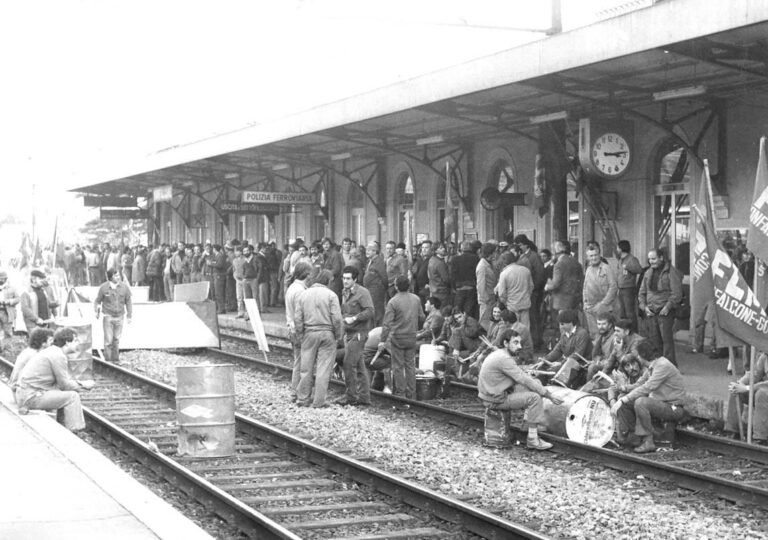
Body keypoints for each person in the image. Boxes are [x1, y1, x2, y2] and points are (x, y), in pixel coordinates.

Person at [477, 328, 563, 450]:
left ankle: (528, 426)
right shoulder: (504, 359)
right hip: (495, 400)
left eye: (520, 342)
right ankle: (533, 440)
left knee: (536, 383)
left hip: (492, 394)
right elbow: (523, 379)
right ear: (506, 343)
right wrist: (548, 395)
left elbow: (516, 375)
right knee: (535, 398)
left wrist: (528, 376)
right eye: (515, 343)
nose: (520, 346)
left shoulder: (499, 354)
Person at [610, 341, 687, 453]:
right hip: (661, 404)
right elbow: (639, 384)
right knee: (627, 403)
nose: (637, 358)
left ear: (642, 356)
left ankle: (648, 441)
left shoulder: (662, 366)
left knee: (641, 402)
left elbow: (647, 387)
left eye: (637, 356)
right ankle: (631, 436)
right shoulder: (652, 367)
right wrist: (624, 389)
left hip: (673, 407)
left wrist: (623, 399)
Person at [14, 327, 94, 430]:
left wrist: (78, 384)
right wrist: (84, 385)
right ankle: (75, 430)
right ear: (67, 342)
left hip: (27, 393)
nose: (78, 344)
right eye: (75, 341)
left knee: (62, 393)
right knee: (72, 396)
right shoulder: (58, 356)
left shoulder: (53, 351)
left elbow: (63, 383)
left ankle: (62, 426)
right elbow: (65, 385)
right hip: (31, 397)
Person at [294, 270, 344, 408]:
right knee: (324, 368)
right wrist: (338, 336)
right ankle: (318, 401)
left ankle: (303, 399)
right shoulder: (331, 295)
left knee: (306, 368)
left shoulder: (304, 294)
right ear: (328, 281)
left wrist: (300, 334)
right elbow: (337, 318)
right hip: (327, 333)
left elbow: (297, 318)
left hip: (309, 332)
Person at [379, 275, 425, 399]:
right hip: (411, 337)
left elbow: (387, 324)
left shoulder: (393, 301)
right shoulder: (416, 299)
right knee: (410, 365)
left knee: (398, 366)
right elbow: (422, 317)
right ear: (409, 285)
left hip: (397, 338)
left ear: (396, 286)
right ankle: (412, 394)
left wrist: (382, 340)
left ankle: (401, 394)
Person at [337, 266, 375, 406]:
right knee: (359, 366)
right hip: (349, 333)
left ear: (355, 279)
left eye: (348, 279)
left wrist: (355, 318)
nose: (345, 281)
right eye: (344, 278)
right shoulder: (344, 292)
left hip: (359, 334)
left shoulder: (362, 293)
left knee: (349, 363)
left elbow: (370, 311)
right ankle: (364, 398)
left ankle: (351, 397)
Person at [638, 248, 682, 366]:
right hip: (651, 313)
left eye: (654, 258)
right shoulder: (648, 273)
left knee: (666, 341)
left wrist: (667, 307)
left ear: (661, 258)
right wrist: (644, 307)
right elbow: (641, 292)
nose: (651, 261)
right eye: (649, 259)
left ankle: (671, 368)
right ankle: (658, 367)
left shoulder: (671, 272)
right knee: (654, 341)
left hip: (665, 312)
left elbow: (677, 294)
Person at [538, 309, 592, 381]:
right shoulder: (564, 334)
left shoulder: (582, 334)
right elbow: (557, 350)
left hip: (580, 365)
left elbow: (577, 355)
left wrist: (561, 363)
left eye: (562, 324)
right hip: (567, 362)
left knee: (552, 372)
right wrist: (545, 360)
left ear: (571, 323)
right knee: (541, 367)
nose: (560, 326)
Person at [726, 352, 768, 443]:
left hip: (764, 390)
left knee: (762, 394)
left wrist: (746, 388)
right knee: (735, 390)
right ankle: (734, 430)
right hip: (762, 389)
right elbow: (754, 374)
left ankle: (760, 437)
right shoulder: (765, 355)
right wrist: (740, 383)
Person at [94, 269, 133, 364]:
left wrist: (129, 315)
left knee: (116, 339)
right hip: (108, 316)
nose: (118, 277)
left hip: (120, 317)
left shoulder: (124, 288)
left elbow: (128, 301)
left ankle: (115, 360)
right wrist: (97, 311)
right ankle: (108, 362)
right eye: (115, 276)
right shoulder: (103, 288)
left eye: (118, 275)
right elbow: (97, 301)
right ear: (110, 278)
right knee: (108, 341)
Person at [285, 261, 312, 401]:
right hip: (299, 331)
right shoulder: (301, 291)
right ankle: (298, 392)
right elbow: (299, 315)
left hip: (292, 329)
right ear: (306, 274)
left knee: (298, 361)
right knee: (303, 363)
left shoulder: (292, 288)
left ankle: (294, 391)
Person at [582, 245, 618, 339]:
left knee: (606, 334)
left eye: (595, 255)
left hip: (603, 307)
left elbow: (613, 287)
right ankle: (597, 352)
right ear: (587, 257)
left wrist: (603, 304)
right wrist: (585, 303)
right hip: (590, 307)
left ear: (599, 255)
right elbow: (585, 287)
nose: (594, 258)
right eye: (591, 256)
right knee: (594, 334)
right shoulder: (588, 269)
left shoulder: (606, 268)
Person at [544, 240, 583, 318]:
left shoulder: (559, 264)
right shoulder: (576, 262)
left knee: (563, 323)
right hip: (575, 298)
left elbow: (555, 283)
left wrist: (547, 287)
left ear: (555, 253)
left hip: (562, 300)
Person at [9, 327, 54, 394]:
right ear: (43, 342)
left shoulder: (29, 351)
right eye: (50, 340)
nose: (52, 343)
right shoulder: (34, 355)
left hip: (20, 389)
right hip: (21, 391)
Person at [495, 251, 533, 326]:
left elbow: (501, 293)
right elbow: (531, 287)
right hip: (525, 304)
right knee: (525, 328)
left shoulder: (504, 273)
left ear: (504, 262)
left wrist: (505, 303)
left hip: (512, 306)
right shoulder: (526, 270)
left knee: (514, 329)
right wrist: (527, 296)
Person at [615, 240, 642, 332]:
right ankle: (624, 331)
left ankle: (634, 332)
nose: (616, 249)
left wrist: (628, 267)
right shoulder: (620, 260)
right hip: (621, 288)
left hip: (628, 289)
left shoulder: (631, 259)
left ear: (621, 248)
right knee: (622, 312)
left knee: (630, 313)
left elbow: (639, 269)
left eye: (617, 247)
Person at [20, 269, 56, 333]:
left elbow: (48, 304)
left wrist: (56, 305)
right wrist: (36, 319)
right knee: (36, 342)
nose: (43, 281)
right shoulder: (26, 292)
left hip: (45, 323)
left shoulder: (43, 290)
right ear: (34, 279)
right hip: (33, 325)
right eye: (41, 279)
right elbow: (25, 309)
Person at [451, 241, 479, 319]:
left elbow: (452, 275)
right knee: (469, 311)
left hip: (459, 288)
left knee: (457, 311)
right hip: (471, 287)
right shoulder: (475, 258)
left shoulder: (455, 259)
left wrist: (454, 288)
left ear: (461, 249)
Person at [363, 241, 387, 326]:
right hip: (370, 291)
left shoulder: (378, 261)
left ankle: (378, 330)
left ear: (375, 251)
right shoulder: (371, 261)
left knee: (377, 312)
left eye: (369, 250)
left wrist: (382, 288)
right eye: (366, 250)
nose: (367, 252)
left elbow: (384, 277)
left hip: (376, 291)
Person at [476, 242, 499, 331]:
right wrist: (486, 299)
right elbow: (481, 286)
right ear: (490, 253)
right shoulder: (482, 266)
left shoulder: (489, 264)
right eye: (495, 252)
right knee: (484, 322)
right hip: (486, 300)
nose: (496, 254)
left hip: (491, 298)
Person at [427, 242, 452, 308]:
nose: (443, 249)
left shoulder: (431, 260)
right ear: (435, 250)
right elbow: (446, 279)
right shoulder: (440, 263)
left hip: (433, 290)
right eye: (440, 248)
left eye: (443, 247)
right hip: (442, 292)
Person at [0, 269, 20, 340]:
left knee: (8, 332)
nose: (1, 280)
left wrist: (8, 301)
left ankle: (8, 348)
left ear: (6, 279)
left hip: (7, 312)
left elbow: (18, 299)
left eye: (2, 278)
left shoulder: (12, 288)